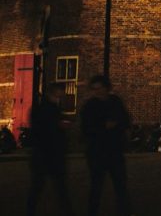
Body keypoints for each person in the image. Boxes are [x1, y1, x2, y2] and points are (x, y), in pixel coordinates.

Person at [80, 74, 132, 216]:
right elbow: (86, 128)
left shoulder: (115, 101)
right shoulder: (90, 106)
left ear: (106, 88)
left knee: (120, 185)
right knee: (96, 186)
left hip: (115, 150)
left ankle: (124, 211)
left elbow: (125, 119)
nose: (98, 92)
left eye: (100, 88)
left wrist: (124, 131)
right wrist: (104, 126)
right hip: (97, 152)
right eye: (95, 89)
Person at [28, 82, 75, 215]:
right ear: (54, 93)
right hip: (48, 154)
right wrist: (59, 125)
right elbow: (43, 130)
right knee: (55, 188)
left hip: (46, 154)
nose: (62, 96)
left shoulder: (45, 107)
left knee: (42, 187)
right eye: (60, 93)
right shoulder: (48, 108)